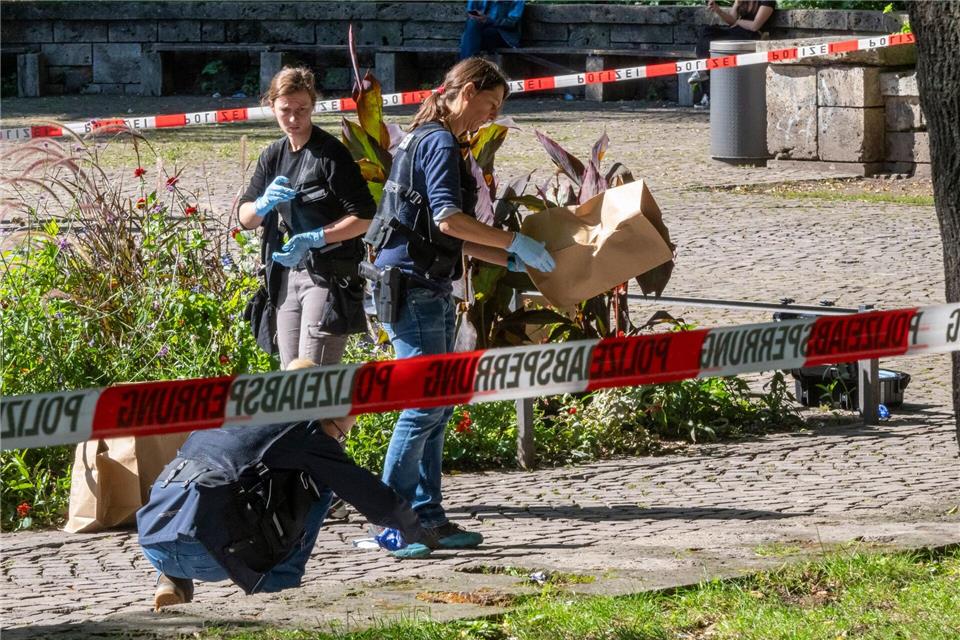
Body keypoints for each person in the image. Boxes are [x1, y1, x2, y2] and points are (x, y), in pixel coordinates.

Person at [362, 57, 555, 550]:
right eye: (489, 105)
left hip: (425, 284)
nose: (490, 117)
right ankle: (394, 522)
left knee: (438, 406)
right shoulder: (440, 142)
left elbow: (443, 234)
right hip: (415, 288)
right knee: (424, 406)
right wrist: (514, 242)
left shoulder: (426, 137)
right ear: (466, 91)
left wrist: (506, 257)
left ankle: (427, 515)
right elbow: (450, 220)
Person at [137, 359, 431, 611]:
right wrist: (418, 529)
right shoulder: (307, 429)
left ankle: (171, 581)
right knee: (321, 485)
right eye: (341, 434)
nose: (339, 443)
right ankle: (278, 593)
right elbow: (369, 494)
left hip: (154, 535)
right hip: (208, 555)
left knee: (198, 501)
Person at [238, 66, 376, 370]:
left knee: (313, 374)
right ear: (271, 106)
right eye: (285, 110)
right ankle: (302, 421)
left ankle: (327, 420)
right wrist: (261, 204)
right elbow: (245, 218)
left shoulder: (330, 154)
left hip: (327, 274)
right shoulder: (273, 154)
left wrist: (316, 237)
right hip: (287, 274)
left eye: (301, 109)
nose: (293, 119)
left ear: (313, 106)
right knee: (291, 375)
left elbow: (365, 216)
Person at [688, 0, 777, 102]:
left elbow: (755, 26)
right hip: (736, 31)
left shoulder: (767, 2)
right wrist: (719, 10)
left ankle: (705, 77)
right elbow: (731, 21)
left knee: (716, 44)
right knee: (707, 31)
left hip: (750, 36)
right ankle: (702, 70)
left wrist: (738, 22)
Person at [459, 0, 526, 60]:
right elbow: (470, 12)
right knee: (473, 26)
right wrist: (476, 17)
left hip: (503, 35)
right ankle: (469, 66)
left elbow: (512, 23)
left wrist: (488, 20)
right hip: (478, 33)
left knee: (475, 37)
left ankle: (466, 66)